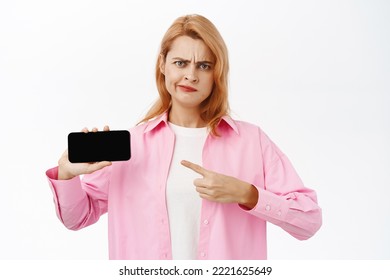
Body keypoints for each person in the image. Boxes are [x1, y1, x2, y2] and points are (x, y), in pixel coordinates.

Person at [46, 14, 322, 260]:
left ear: (217, 73)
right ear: (163, 65)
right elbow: (77, 218)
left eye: (203, 65)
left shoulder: (252, 142)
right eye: (180, 63)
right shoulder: (132, 144)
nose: (190, 75)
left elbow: (309, 219)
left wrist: (246, 193)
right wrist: (68, 174)